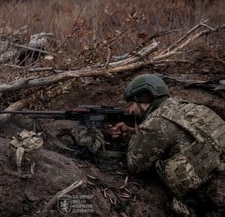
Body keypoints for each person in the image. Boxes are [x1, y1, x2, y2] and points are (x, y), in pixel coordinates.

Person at [73, 74, 225, 216]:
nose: (130, 110)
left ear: (142, 100)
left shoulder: (156, 123)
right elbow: (177, 135)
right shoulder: (193, 109)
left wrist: (136, 136)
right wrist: (133, 132)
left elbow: (135, 165)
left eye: (131, 103)